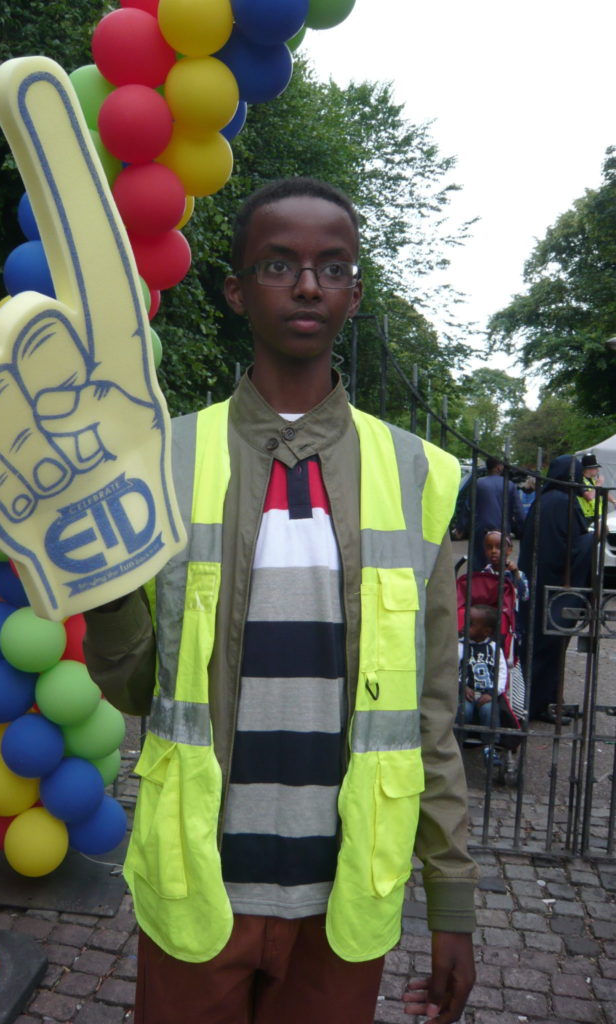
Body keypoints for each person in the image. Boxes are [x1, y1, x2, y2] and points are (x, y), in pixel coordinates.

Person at [83, 177, 477, 1024]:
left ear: (354, 293)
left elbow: (430, 716)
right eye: (278, 265)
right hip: (199, 892)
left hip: (343, 904)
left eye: (332, 268)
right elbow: (132, 686)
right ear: (236, 290)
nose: (307, 285)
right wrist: (106, 588)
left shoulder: (418, 474)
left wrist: (452, 905)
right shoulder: (162, 459)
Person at [518, 454, 595, 723]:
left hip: (538, 585)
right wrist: (595, 538)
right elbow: (573, 547)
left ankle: (547, 699)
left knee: (540, 644)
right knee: (548, 646)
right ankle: (538, 704)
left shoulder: (545, 500)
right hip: (554, 589)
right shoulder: (563, 503)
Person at [458, 603, 509, 763]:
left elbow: (501, 672)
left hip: (488, 693)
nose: (466, 627)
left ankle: (491, 746)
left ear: (486, 631)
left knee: (490, 711)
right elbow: (451, 669)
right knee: (462, 711)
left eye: (471, 624)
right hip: (466, 692)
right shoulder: (459, 646)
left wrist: (492, 692)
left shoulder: (494, 648)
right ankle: (457, 742)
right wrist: (462, 687)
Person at [463, 456, 525, 568]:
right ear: (498, 467)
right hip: (502, 529)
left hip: (481, 529)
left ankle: (477, 583)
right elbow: (518, 510)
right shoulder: (509, 485)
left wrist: (461, 527)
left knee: (478, 562)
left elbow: (468, 506)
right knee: (499, 562)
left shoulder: (478, 483)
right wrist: (522, 530)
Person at [482, 530, 529, 608]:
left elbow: (524, 596)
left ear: (509, 550)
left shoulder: (518, 574)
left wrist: (515, 574)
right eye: (489, 547)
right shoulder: (484, 574)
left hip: (510, 616)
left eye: (499, 547)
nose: (493, 551)